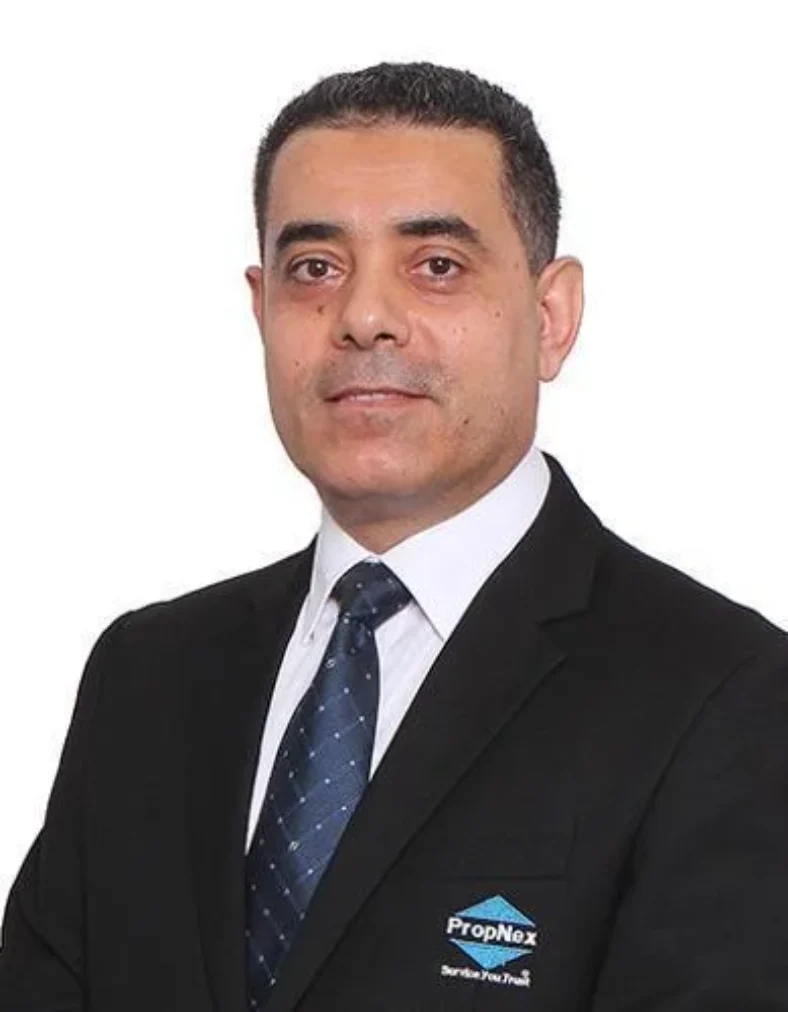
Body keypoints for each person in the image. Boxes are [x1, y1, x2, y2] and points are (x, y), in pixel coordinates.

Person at [1, 60, 786, 1012]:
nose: (364, 318)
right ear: (260, 307)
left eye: (437, 266)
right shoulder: (146, 676)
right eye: (315, 269)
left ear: (551, 317)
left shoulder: (723, 694)